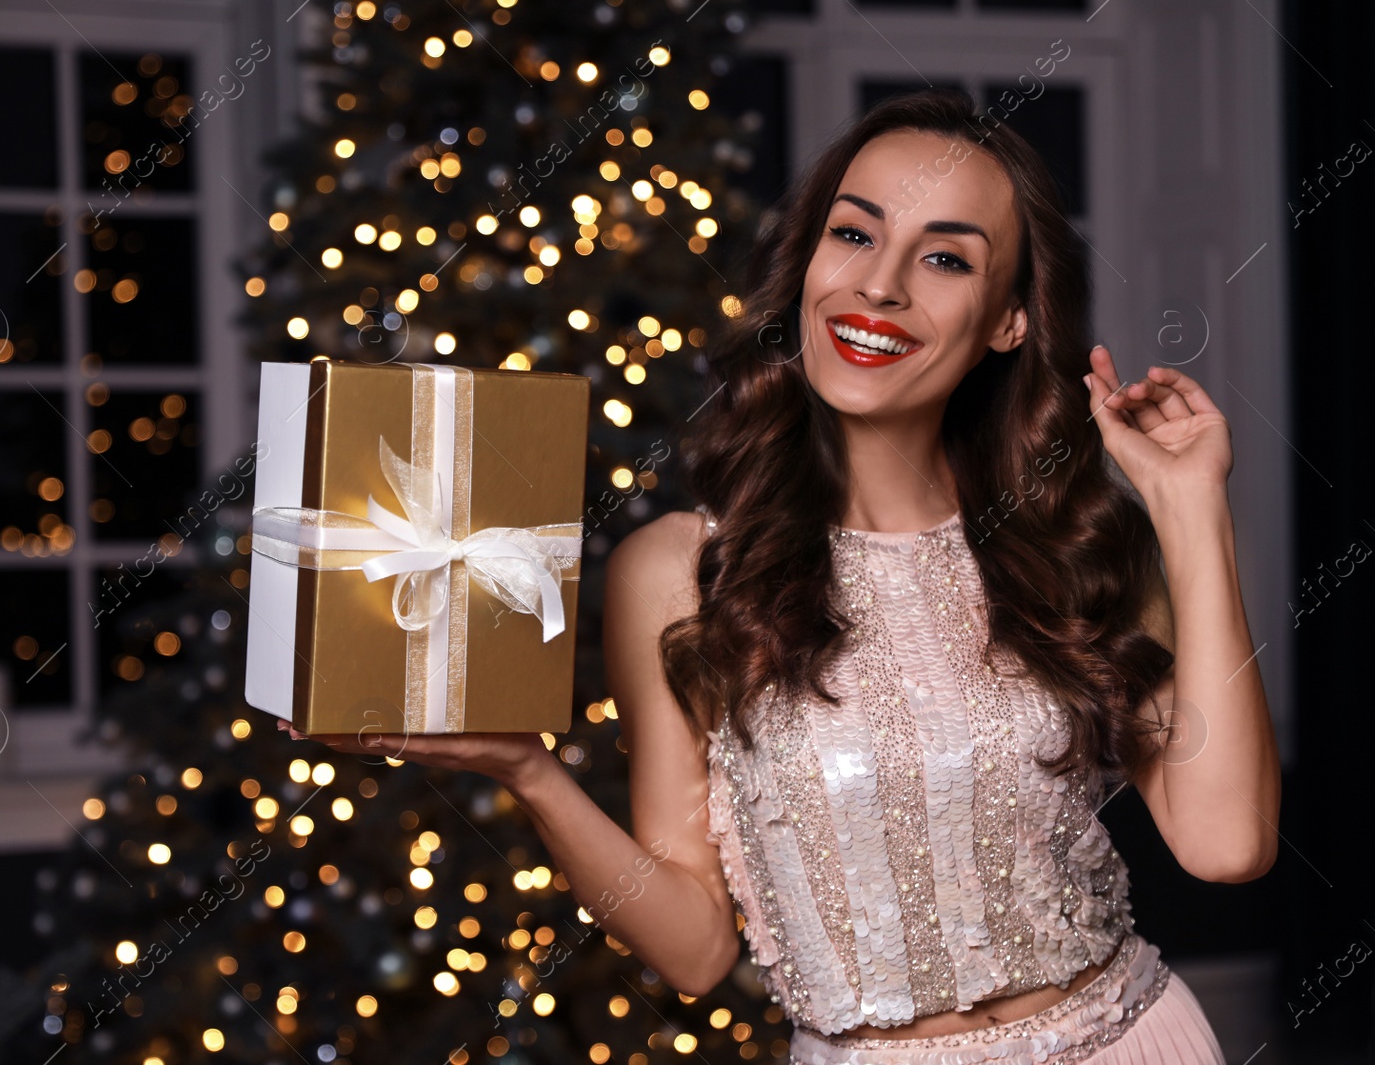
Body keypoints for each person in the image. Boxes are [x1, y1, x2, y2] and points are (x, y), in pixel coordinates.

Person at [281, 88, 1280, 1063]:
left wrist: (1192, 509)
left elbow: (1227, 843)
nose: (880, 285)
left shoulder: (1070, 542)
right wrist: (525, 769)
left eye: (942, 257)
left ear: (1009, 321)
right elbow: (695, 945)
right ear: (805, 260)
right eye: (853, 234)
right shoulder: (682, 571)